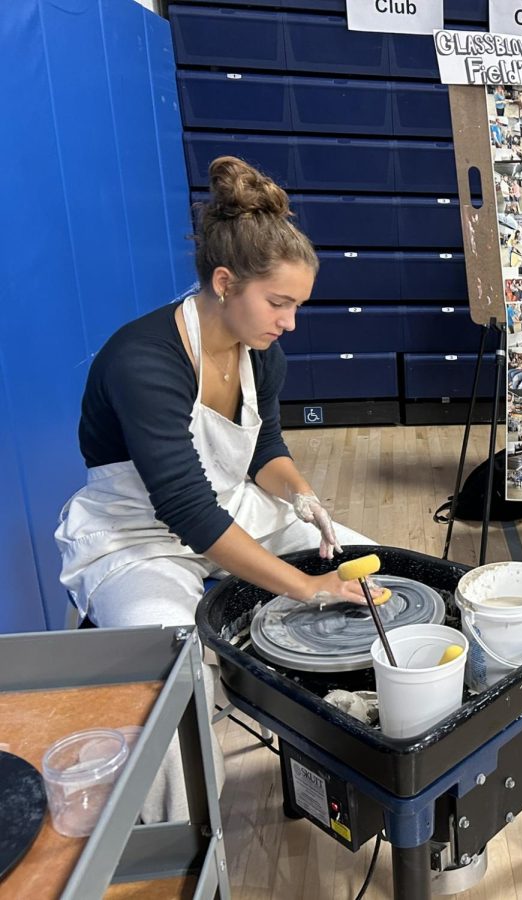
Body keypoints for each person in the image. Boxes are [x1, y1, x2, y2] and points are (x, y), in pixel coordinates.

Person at [55, 156, 380, 821]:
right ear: (226, 282)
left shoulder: (264, 351)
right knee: (175, 674)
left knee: (373, 575)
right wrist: (304, 587)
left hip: (229, 508)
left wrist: (301, 495)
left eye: (297, 306)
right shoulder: (143, 359)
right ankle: (182, 854)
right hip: (137, 535)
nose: (290, 321)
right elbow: (184, 510)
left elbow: (263, 450)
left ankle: (340, 765)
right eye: (279, 303)